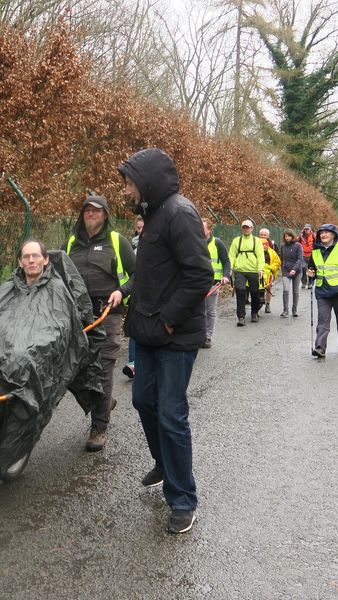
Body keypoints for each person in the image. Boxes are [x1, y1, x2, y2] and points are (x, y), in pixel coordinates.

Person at [118, 147, 214, 534]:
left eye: (129, 182)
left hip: (173, 337)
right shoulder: (154, 215)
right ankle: (164, 462)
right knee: (143, 400)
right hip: (149, 333)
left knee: (172, 414)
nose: (125, 190)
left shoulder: (179, 213)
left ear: (147, 182)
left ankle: (182, 498)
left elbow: (199, 275)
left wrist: (170, 322)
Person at [66, 195, 135, 452]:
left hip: (108, 314)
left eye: (97, 211)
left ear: (105, 214)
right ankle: (105, 402)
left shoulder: (117, 242)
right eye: (87, 211)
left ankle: (99, 428)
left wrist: (122, 291)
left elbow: (138, 275)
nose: (91, 215)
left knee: (104, 368)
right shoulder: (72, 242)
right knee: (79, 370)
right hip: (79, 317)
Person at [306, 223, 338, 357]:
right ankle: (320, 348)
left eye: (326, 232)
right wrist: (311, 274)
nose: (323, 235)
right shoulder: (316, 251)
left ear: (333, 234)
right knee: (323, 320)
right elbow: (312, 268)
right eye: (321, 233)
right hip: (323, 291)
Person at [228, 219, 265, 326]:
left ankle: (254, 313)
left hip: (253, 270)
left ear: (252, 229)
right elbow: (232, 255)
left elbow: (260, 256)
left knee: (255, 293)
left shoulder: (256, 241)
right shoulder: (236, 240)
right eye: (244, 227)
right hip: (240, 270)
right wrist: (230, 268)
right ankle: (241, 316)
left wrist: (261, 269)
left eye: (248, 227)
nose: (246, 229)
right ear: (241, 228)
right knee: (240, 291)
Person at [202, 219, 230, 347]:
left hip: (213, 283)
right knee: (198, 311)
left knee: (210, 311)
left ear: (209, 229)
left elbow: (226, 261)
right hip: (197, 283)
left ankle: (208, 336)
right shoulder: (194, 242)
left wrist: (225, 276)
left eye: (202, 228)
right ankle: (199, 335)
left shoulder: (217, 243)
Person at [123, 215, 145, 378]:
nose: (140, 231)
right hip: (137, 293)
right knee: (134, 327)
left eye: (143, 227)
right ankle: (133, 363)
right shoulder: (131, 247)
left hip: (156, 295)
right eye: (138, 228)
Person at [279, 229, 304, 318]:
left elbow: (300, 259)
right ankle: (285, 310)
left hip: (297, 271)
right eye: (285, 236)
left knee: (295, 291)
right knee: (286, 290)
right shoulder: (282, 246)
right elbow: (281, 258)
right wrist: (282, 267)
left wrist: (294, 269)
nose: (287, 238)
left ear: (292, 236)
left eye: (289, 236)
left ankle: (294, 310)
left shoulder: (298, 246)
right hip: (286, 271)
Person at [260, 234, 281, 314]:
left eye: (265, 244)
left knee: (268, 288)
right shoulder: (255, 252)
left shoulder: (272, 252)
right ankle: (259, 303)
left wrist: (271, 269)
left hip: (269, 273)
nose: (264, 246)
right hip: (259, 273)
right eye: (262, 244)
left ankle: (267, 304)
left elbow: (277, 261)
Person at [299, 224, 315, 288]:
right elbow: (297, 243)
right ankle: (303, 282)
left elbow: (317, 243)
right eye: (305, 229)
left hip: (311, 254)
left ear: (310, 229)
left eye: (307, 229)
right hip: (303, 254)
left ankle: (310, 283)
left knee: (311, 269)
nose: (306, 230)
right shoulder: (301, 236)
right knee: (303, 268)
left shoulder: (313, 236)